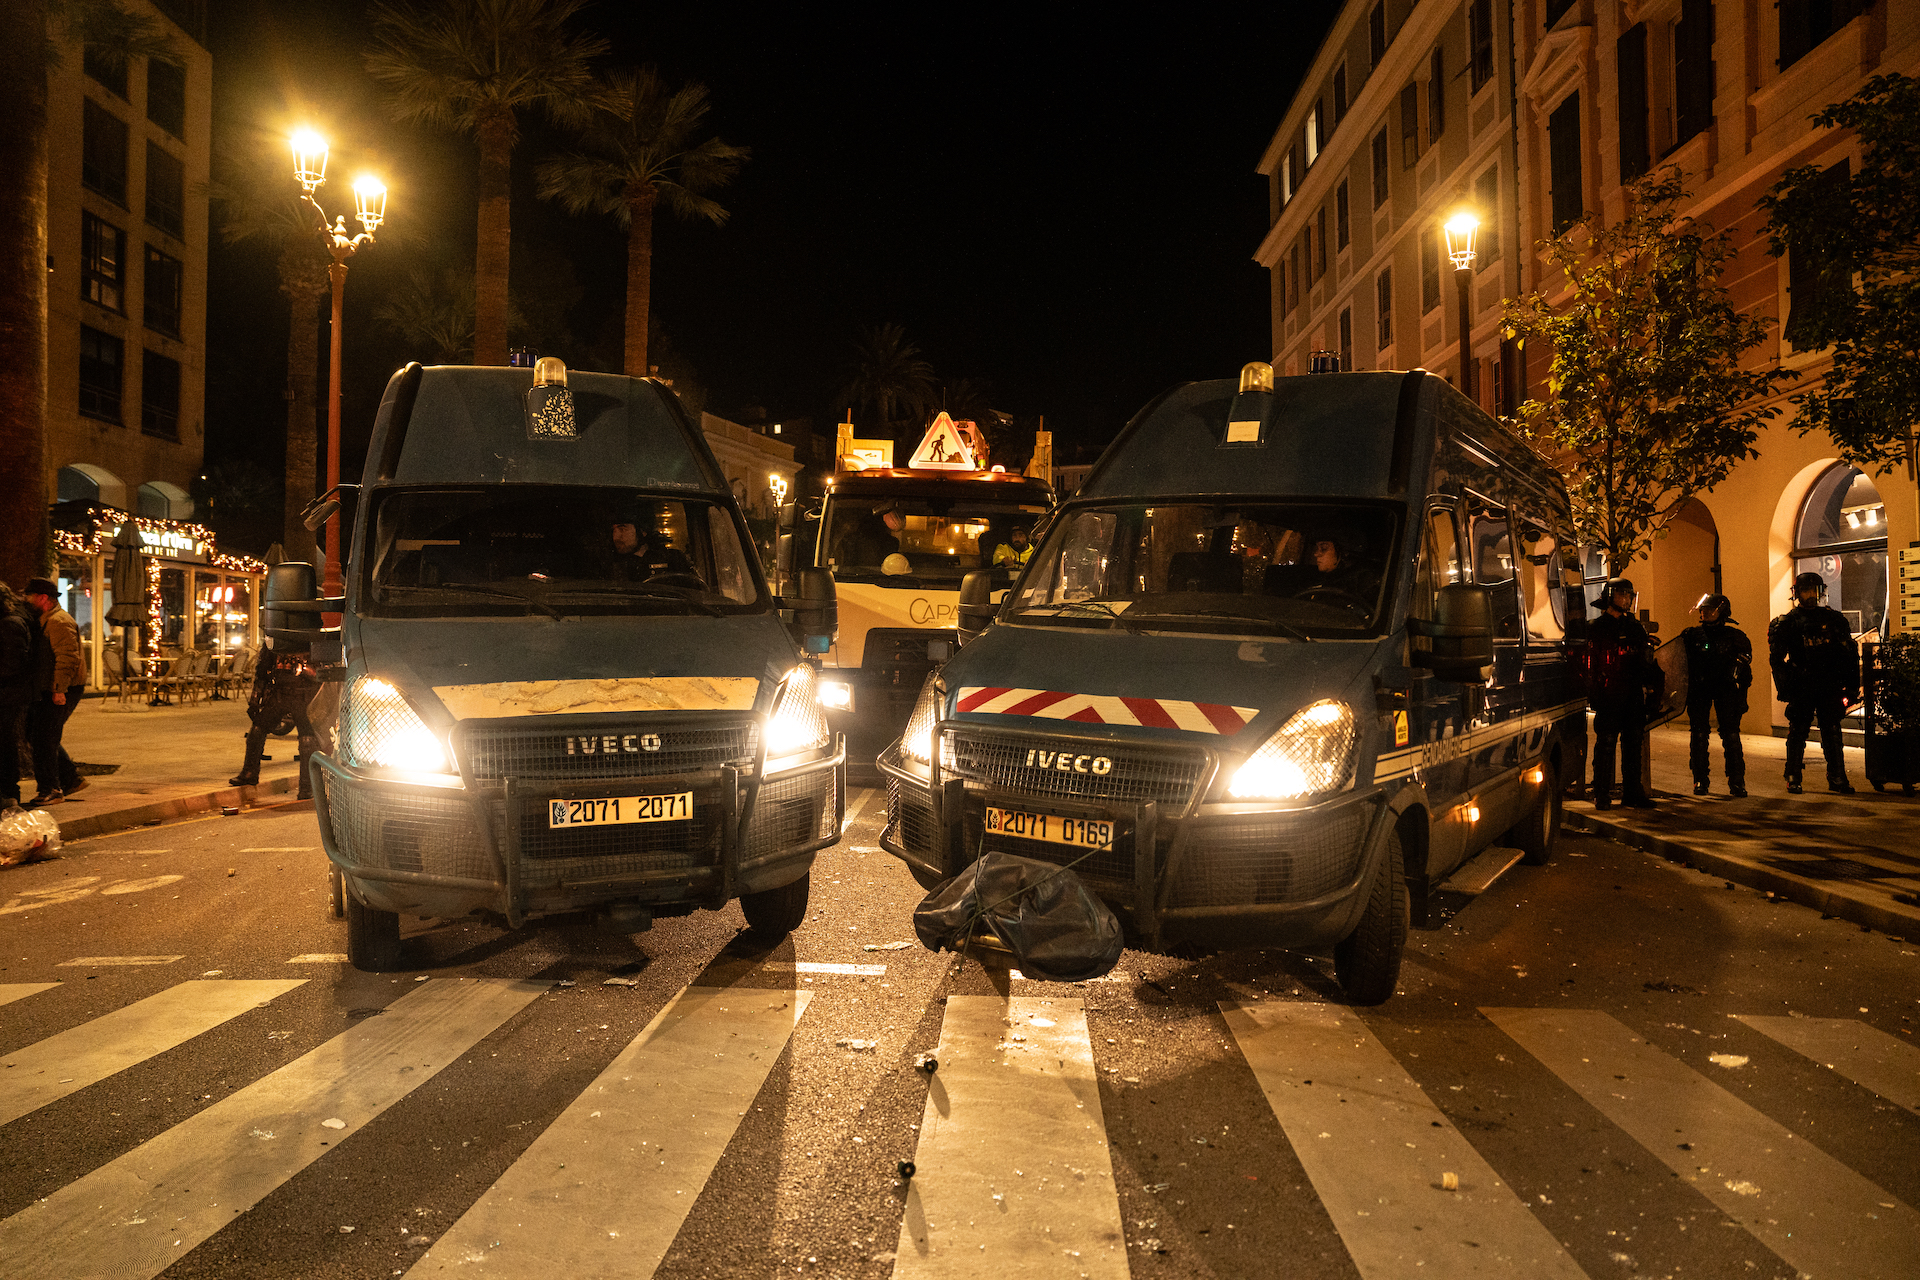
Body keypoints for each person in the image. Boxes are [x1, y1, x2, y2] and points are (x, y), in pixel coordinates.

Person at [1768, 571, 1860, 795]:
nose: (1810, 595)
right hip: (1803, 683)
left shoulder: (1834, 620)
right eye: (1806, 590)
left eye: (1814, 590)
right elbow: (1777, 659)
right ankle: (1793, 775)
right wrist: (1787, 685)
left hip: (1829, 683)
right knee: (1798, 732)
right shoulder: (1787, 622)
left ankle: (1837, 776)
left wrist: (1852, 685)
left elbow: (1849, 654)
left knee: (1832, 731)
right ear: (1797, 593)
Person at [1584, 577, 1660, 810]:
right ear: (1610, 596)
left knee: (1633, 745)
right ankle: (1602, 794)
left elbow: (1644, 662)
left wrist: (1651, 687)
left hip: (1632, 694)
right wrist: (1594, 693)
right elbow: (1590, 664)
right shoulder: (1597, 628)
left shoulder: (1635, 627)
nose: (1627, 599)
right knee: (1606, 744)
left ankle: (1632, 793)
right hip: (1609, 694)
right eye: (1623, 594)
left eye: (1629, 595)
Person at [1679, 592, 1752, 797]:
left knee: (1731, 735)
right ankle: (1700, 780)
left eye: (1710, 610)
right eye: (1703, 610)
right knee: (1699, 735)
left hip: (1725, 689)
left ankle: (1737, 781)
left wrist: (1741, 694)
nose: (1705, 613)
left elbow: (1744, 667)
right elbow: (1679, 661)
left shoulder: (1735, 636)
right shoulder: (1691, 635)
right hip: (1699, 689)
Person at [229, 639, 320, 800]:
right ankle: (249, 773)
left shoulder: (312, 638)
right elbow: (262, 671)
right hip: (279, 694)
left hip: (304, 696)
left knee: (307, 740)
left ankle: (307, 786)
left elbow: (322, 671)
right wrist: (255, 701)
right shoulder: (274, 639)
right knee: (257, 730)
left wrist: (305, 670)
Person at [23, 577, 86, 807]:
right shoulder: (45, 619)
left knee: (44, 738)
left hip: (61, 688)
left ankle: (51, 788)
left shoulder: (58, 621)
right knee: (37, 733)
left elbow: (68, 658)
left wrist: (59, 689)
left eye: (28, 597)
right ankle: (69, 779)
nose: (25, 601)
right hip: (50, 687)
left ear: (43, 599)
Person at [0, 584, 35, 811]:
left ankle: (9, 792)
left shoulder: (9, 625)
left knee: (4, 743)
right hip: (8, 693)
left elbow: (12, 664)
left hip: (7, 695)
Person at [610, 503, 694, 580]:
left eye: (623, 529)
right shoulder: (611, 565)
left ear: (643, 531)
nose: (616, 537)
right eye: (613, 530)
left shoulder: (674, 559)